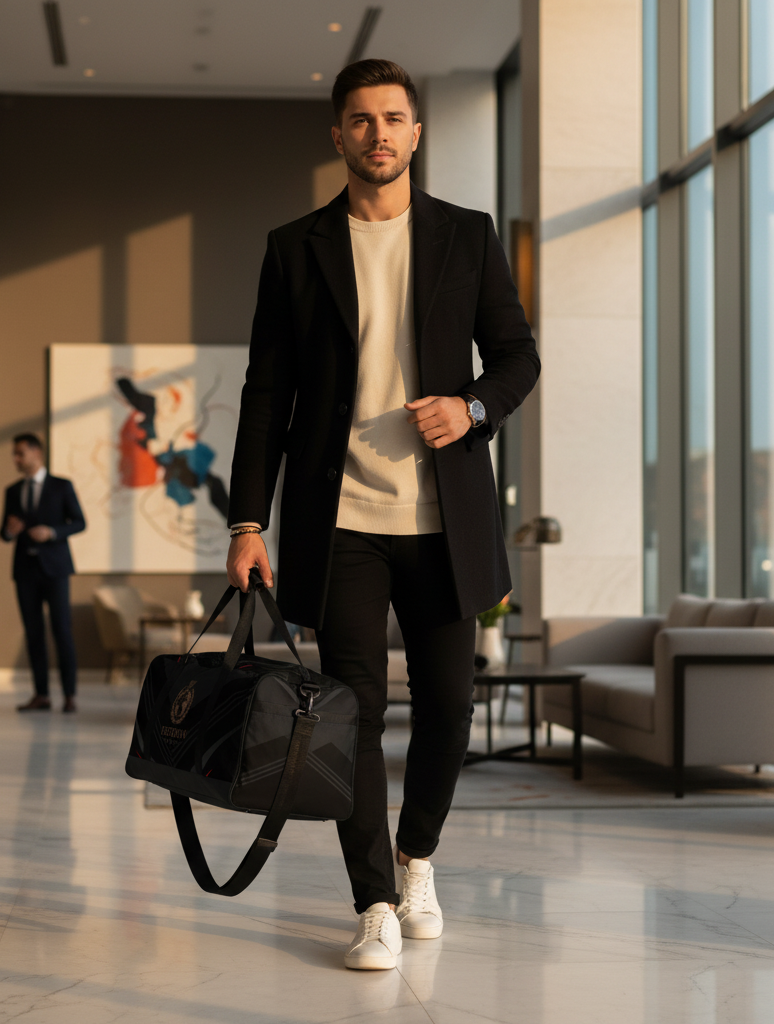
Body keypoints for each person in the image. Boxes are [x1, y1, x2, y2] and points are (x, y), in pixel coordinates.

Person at [226, 59, 540, 970]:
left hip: (446, 518)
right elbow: (264, 396)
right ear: (338, 135)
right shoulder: (296, 246)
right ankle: (372, 902)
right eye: (360, 120)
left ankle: (418, 859)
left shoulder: (467, 236)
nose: (378, 134)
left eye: (393, 118)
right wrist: (249, 523)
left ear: (415, 132)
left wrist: (473, 407)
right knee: (351, 712)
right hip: (344, 522)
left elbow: (518, 355)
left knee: (449, 705)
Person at [0, 433, 86, 713]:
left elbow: (79, 522)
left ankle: (69, 695)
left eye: (20, 453)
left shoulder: (62, 485)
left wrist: (51, 532)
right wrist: (9, 533)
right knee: (33, 632)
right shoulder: (12, 491)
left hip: (56, 569)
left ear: (36, 453)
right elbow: (6, 531)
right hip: (25, 571)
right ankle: (41, 694)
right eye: (15, 454)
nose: (16, 459)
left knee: (62, 630)